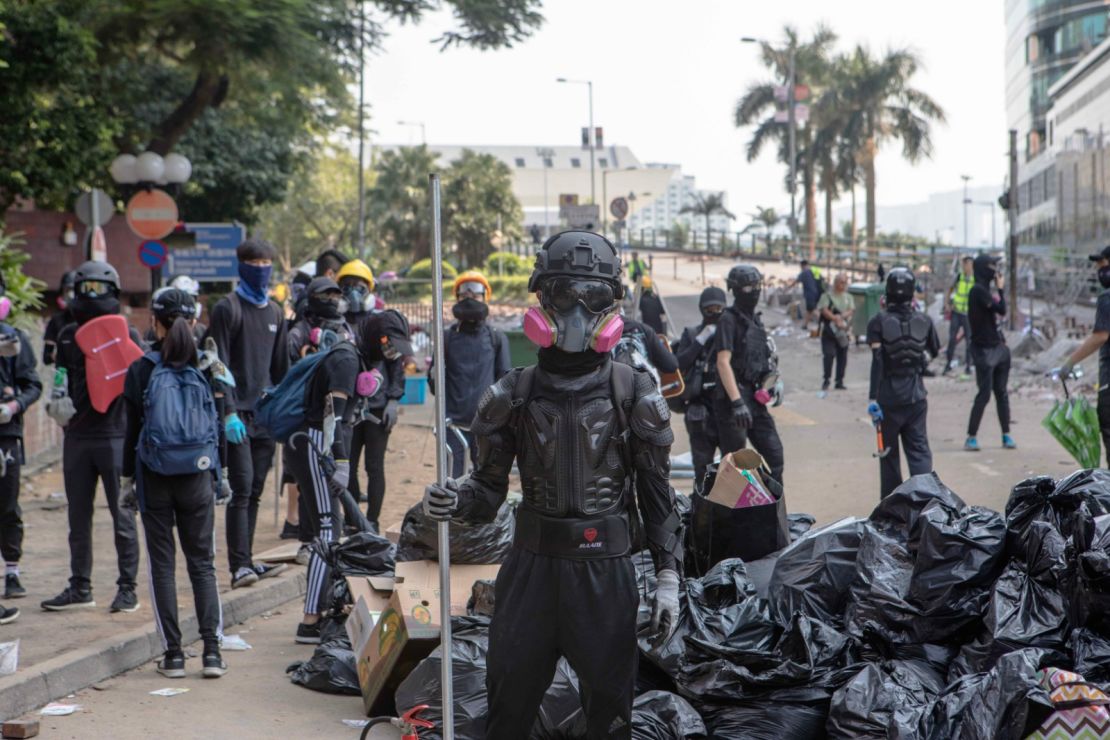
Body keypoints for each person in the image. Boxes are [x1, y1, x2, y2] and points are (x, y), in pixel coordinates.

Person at [423, 230, 682, 738]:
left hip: (606, 574)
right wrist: (454, 499)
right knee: (507, 713)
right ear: (541, 300)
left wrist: (669, 578)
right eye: (564, 295)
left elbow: (657, 497)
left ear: (614, 306)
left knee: (609, 721)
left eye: (595, 297)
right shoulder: (510, 394)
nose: (577, 312)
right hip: (530, 573)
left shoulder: (635, 393)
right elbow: (487, 495)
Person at [121, 288, 227, 678]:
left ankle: (174, 656)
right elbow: (219, 425)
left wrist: (125, 482)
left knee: (162, 566)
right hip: (198, 475)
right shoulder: (208, 366)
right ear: (195, 322)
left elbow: (130, 432)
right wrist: (222, 476)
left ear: (155, 322)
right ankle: (213, 653)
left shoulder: (141, 369)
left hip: (154, 477)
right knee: (203, 565)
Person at [43, 261, 142, 612]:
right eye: (87, 289)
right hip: (77, 437)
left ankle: (127, 588)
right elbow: (61, 377)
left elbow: (141, 378)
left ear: (113, 292)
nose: (92, 295)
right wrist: (57, 404)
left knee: (123, 516)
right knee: (77, 518)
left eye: (100, 289)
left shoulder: (127, 332)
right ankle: (79, 587)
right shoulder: (68, 334)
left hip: (116, 436)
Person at [207, 239, 289, 589]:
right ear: (240, 265)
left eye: (266, 262)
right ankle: (238, 566)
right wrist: (227, 412)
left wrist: (283, 412)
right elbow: (216, 363)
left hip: (265, 417)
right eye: (254, 262)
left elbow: (281, 368)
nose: (261, 268)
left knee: (255, 489)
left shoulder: (276, 312)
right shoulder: (227, 309)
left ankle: (248, 560)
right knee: (240, 490)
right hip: (236, 417)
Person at [282, 279, 360, 644]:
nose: (334, 301)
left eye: (337, 295)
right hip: (309, 436)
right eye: (326, 296)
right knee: (326, 532)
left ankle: (324, 609)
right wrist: (340, 457)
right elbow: (330, 410)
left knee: (327, 526)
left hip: (317, 438)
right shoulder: (297, 333)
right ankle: (309, 620)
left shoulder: (345, 334)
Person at [866, 267, 941, 498]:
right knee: (919, 453)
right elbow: (934, 351)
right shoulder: (925, 321)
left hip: (887, 399)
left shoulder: (878, 322)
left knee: (888, 456)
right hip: (916, 397)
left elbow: (878, 362)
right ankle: (927, 504)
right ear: (912, 294)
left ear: (886, 293)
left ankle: (892, 508)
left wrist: (872, 397)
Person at [427, 271, 510, 477]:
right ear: (456, 299)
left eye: (475, 295)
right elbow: (434, 385)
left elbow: (505, 381)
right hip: (454, 426)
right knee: (452, 482)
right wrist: (433, 375)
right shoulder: (445, 338)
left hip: (486, 426)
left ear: (485, 299)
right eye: (464, 296)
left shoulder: (496, 338)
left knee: (486, 482)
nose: (470, 300)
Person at [714, 265, 785, 484]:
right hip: (733, 402)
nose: (753, 291)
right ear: (734, 290)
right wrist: (736, 402)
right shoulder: (728, 319)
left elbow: (761, 358)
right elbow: (722, 362)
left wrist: (771, 384)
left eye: (756, 285)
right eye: (747, 287)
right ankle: (735, 515)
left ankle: (772, 510)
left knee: (775, 457)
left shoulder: (755, 320)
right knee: (735, 465)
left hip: (755, 397)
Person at [0, 270, 43, 604]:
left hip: (6, 436)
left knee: (8, 505)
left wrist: (14, 405)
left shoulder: (13, 341)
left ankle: (12, 572)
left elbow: (33, 384)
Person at [354, 291, 411, 531]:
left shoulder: (390, 341)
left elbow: (397, 371)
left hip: (379, 412)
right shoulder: (357, 338)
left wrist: (393, 401)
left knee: (374, 466)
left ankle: (372, 521)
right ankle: (353, 519)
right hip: (352, 413)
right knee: (347, 465)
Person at [1055, 245, 1110, 464]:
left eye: (1102, 264)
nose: (1099, 270)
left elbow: (1100, 336)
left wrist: (1069, 363)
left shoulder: (1107, 298)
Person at [672, 286, 726, 486]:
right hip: (699, 408)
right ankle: (702, 513)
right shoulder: (692, 334)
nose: (714, 313)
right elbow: (678, 364)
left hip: (727, 409)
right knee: (702, 471)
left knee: (734, 468)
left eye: (718, 309)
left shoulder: (730, 333)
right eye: (709, 309)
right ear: (702, 309)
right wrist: (701, 340)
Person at [964, 253, 1015, 451]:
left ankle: (1006, 434)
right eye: (992, 266)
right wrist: (1001, 290)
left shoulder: (983, 290)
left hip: (997, 348)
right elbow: (1001, 309)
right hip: (983, 350)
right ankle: (971, 436)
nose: (996, 271)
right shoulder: (977, 291)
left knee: (1001, 393)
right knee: (984, 394)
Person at [816, 273, 853, 391]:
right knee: (829, 355)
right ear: (836, 283)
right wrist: (834, 318)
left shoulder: (848, 297)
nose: (843, 285)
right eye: (841, 282)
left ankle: (839, 381)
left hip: (842, 331)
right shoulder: (826, 296)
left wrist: (841, 317)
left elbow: (851, 310)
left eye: (845, 282)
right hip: (829, 330)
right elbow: (823, 310)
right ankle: (826, 379)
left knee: (843, 356)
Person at [943, 256, 974, 377]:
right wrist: (947, 304)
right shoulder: (959, 277)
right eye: (964, 265)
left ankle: (968, 366)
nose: (965, 267)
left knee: (969, 341)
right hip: (957, 311)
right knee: (952, 339)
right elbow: (949, 290)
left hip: (968, 314)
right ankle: (948, 364)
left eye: (967, 264)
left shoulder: (975, 279)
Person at [43, 270, 76, 366]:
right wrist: (61, 354)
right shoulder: (56, 320)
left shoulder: (87, 320)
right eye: (67, 290)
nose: (70, 295)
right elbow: (46, 357)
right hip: (63, 374)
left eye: (74, 290)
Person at [791, 259, 821, 330]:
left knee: (813, 310)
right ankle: (805, 325)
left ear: (802, 265)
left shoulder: (804, 273)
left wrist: (787, 288)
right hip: (817, 293)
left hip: (810, 294)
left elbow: (796, 281)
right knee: (809, 310)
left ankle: (824, 322)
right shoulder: (814, 270)